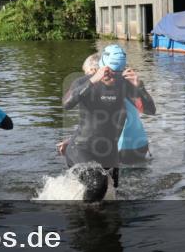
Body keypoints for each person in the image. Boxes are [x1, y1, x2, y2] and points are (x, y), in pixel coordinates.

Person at [59, 45, 155, 193]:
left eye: (117, 73)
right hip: (81, 149)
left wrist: (140, 87)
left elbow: (150, 110)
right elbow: (66, 104)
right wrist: (92, 81)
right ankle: (83, 214)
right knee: (98, 185)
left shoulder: (125, 86)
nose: (112, 77)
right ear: (101, 67)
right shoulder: (84, 82)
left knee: (112, 194)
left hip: (109, 153)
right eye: (108, 72)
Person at [77, 53, 150, 166]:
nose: (87, 78)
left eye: (87, 74)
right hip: (141, 144)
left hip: (122, 147)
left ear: (94, 70)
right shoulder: (122, 84)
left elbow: (119, 117)